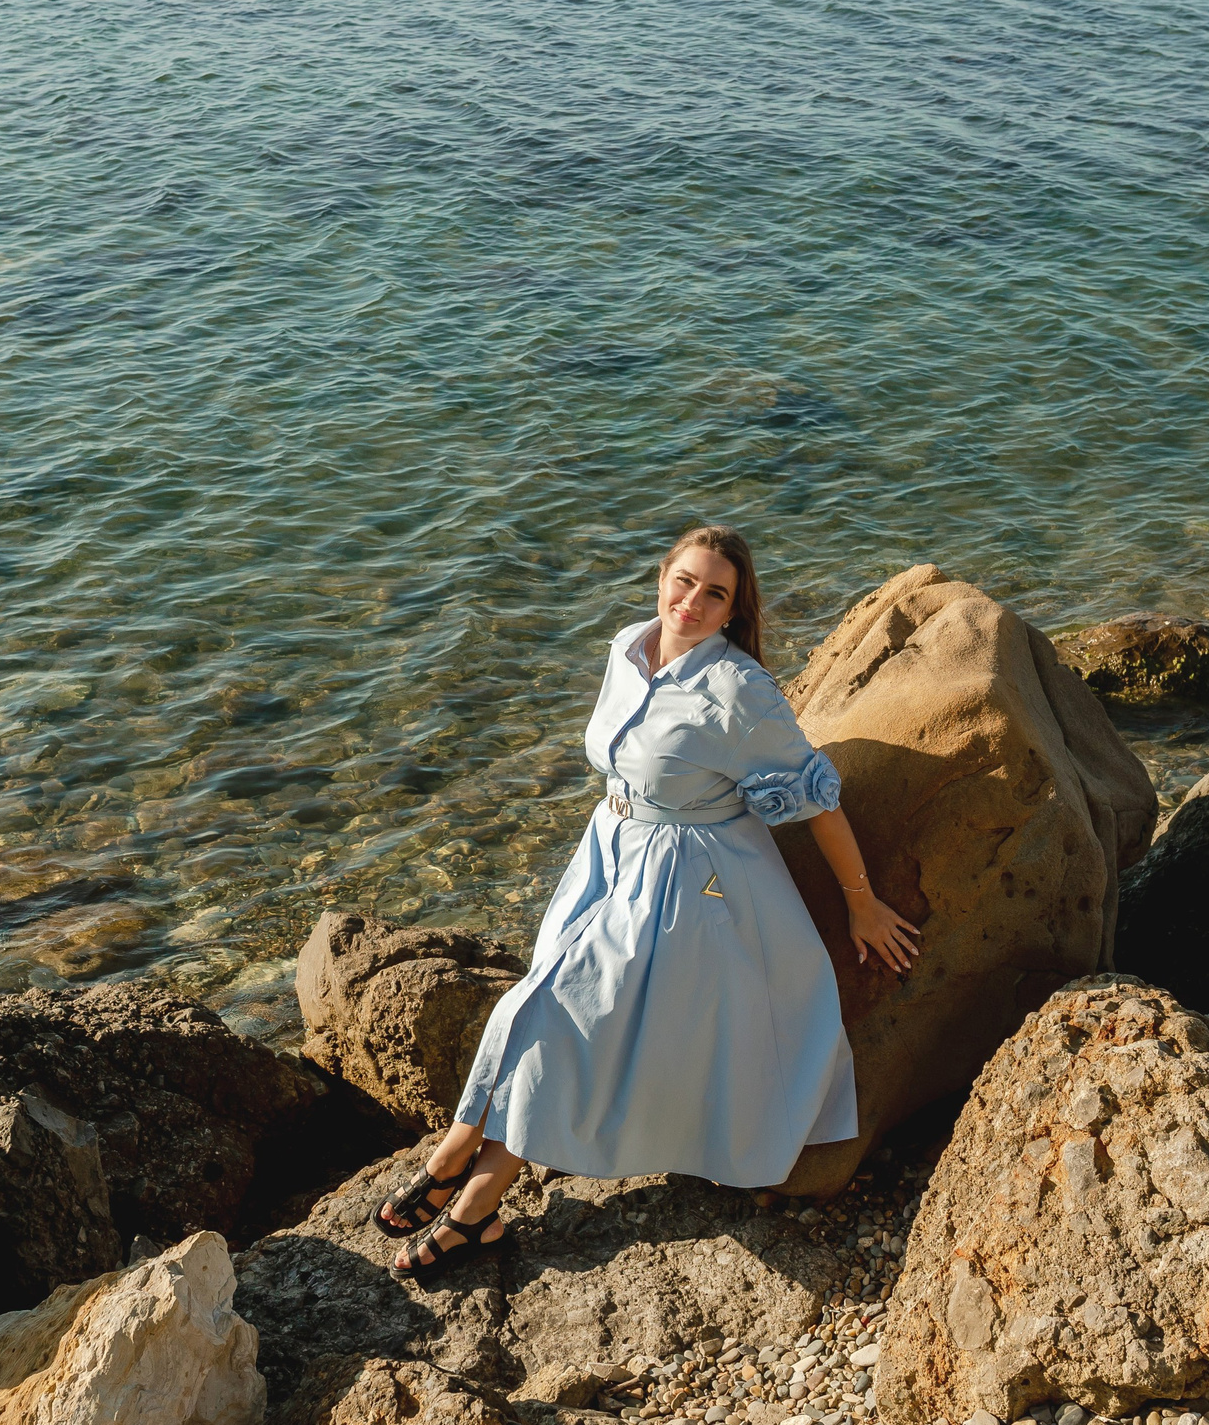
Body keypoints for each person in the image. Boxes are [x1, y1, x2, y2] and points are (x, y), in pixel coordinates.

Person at [375, 524, 921, 1279]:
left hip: (691, 889)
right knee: (537, 1005)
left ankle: (467, 1190)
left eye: (715, 593)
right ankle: (463, 1170)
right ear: (662, 577)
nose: (692, 601)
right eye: (684, 581)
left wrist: (860, 902)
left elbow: (817, 795)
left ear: (735, 610)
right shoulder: (629, 649)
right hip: (608, 857)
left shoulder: (739, 690)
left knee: (558, 1020)